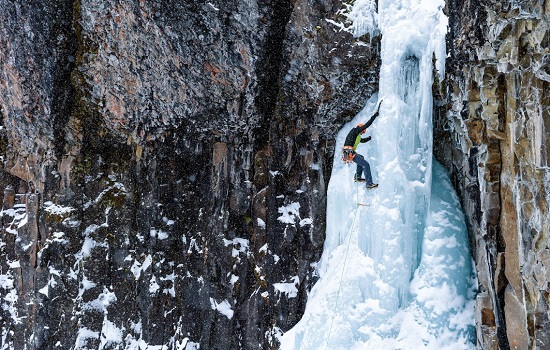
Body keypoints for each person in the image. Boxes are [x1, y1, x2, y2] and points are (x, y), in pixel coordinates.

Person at [342, 102, 381, 189]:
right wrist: (375, 116)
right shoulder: (355, 130)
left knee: (361, 158)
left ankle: (357, 177)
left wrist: (371, 138)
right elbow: (367, 124)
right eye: (363, 131)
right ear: (360, 128)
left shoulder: (357, 136)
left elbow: (362, 140)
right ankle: (369, 184)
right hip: (349, 152)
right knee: (366, 165)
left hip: (348, 152)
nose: (362, 133)